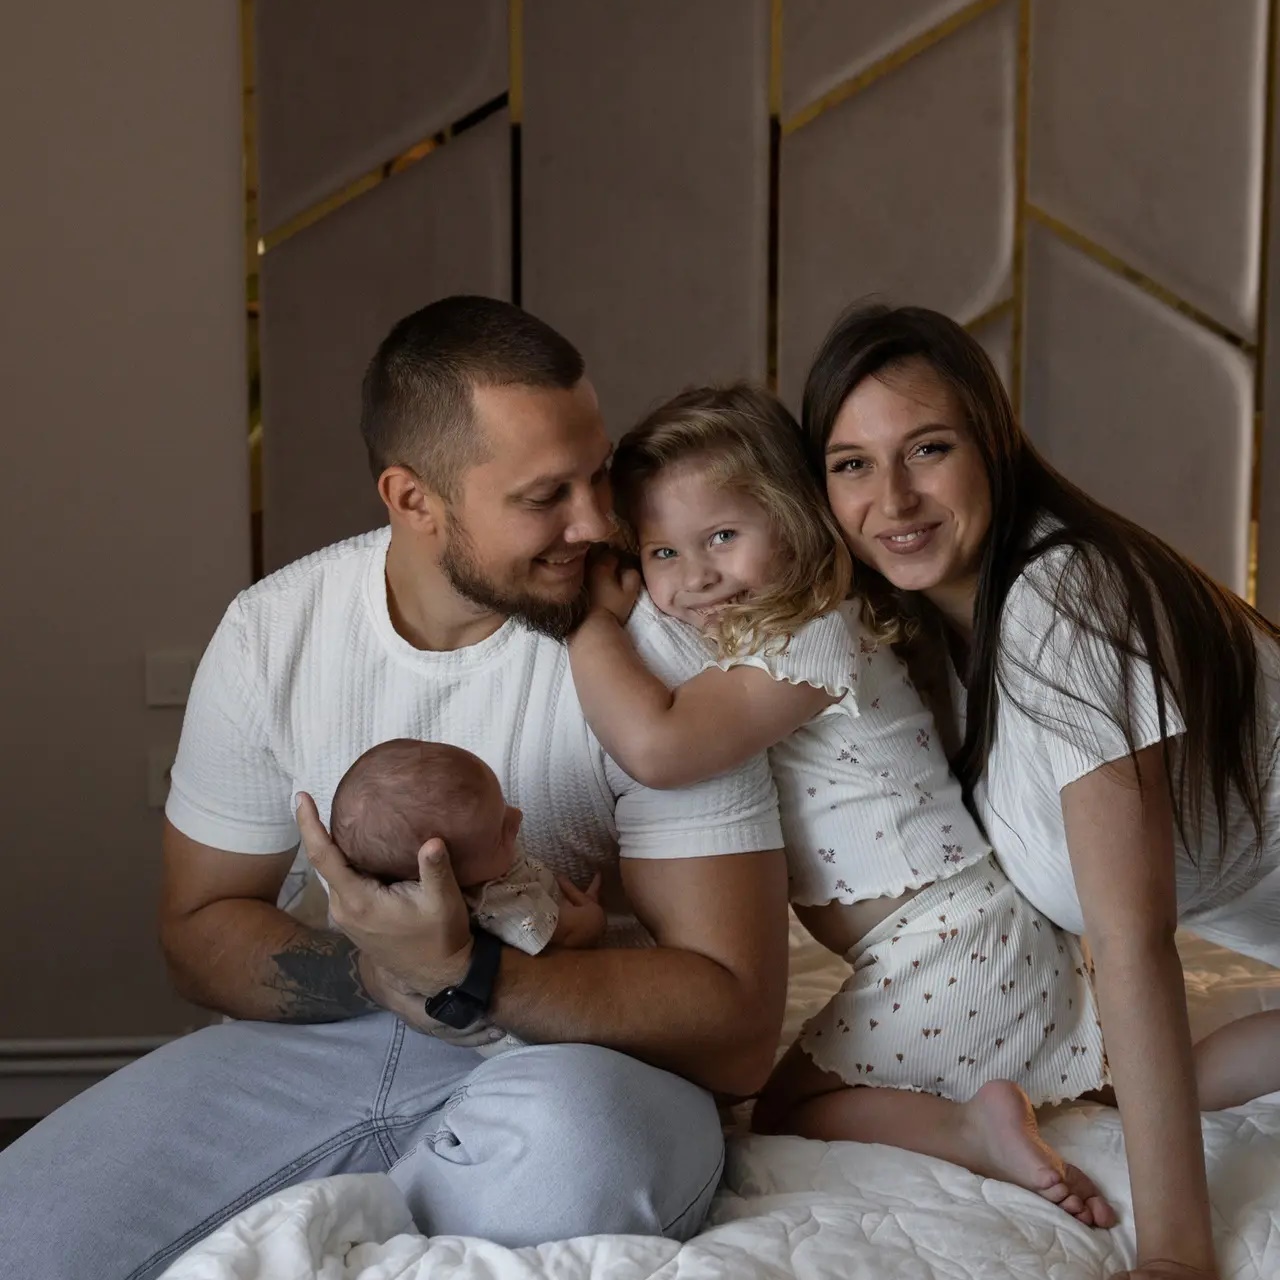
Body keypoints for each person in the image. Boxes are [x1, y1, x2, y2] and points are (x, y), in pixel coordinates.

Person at [0, 296, 790, 1280]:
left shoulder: (662, 643)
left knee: (572, 1166)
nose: (596, 522)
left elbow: (736, 1029)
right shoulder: (273, 633)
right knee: (27, 1234)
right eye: (545, 495)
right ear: (414, 499)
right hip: (333, 1039)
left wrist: (470, 975)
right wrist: (377, 976)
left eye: (598, 474)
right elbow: (198, 929)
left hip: (585, 1061)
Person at [800, 300, 1280, 1280]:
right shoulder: (922, 638)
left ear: (993, 444)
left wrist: (1175, 1254)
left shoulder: (1066, 599)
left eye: (926, 448)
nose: (892, 498)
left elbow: (1130, 935)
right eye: (851, 463)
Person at [566, 383, 1113, 1224]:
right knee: (1128, 1082)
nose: (696, 576)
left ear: (794, 520)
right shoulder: (761, 635)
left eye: (722, 537)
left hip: (951, 941)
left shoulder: (816, 632)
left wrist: (586, 625)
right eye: (662, 553)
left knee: (787, 1111)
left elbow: (658, 747)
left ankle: (972, 1129)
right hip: (950, 937)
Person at [331, 738, 607, 1057]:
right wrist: (593, 919)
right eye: (499, 834)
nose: (517, 816)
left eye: (503, 805)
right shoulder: (498, 903)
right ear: (442, 874)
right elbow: (568, 934)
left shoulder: (449, 886)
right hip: (527, 1035)